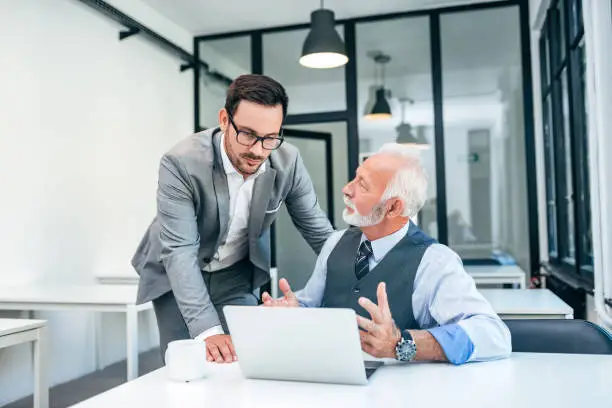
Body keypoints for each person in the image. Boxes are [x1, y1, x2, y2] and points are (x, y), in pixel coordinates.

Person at [132, 74, 334, 364]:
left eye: (270, 138)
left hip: (235, 276)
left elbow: (318, 230)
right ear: (225, 120)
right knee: (187, 369)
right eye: (248, 134)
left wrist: (358, 278)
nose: (258, 150)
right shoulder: (181, 163)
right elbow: (179, 251)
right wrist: (208, 331)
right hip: (176, 276)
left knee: (245, 361)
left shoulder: (288, 161)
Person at [262, 144, 511, 364]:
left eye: (362, 185)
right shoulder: (335, 243)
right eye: (355, 178)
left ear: (393, 207)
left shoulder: (434, 262)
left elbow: (493, 335)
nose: (347, 189)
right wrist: (295, 311)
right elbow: (311, 304)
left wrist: (402, 343)